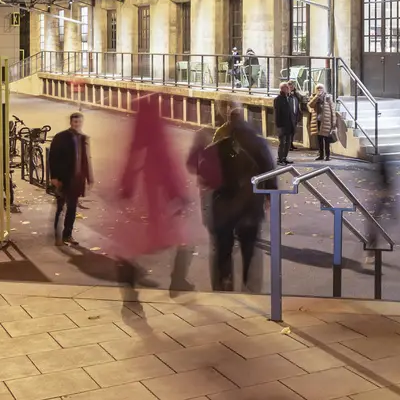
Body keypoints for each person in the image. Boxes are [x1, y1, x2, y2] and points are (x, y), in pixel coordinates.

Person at [111, 96, 193, 286]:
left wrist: (127, 186)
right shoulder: (156, 130)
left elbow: (135, 155)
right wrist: (177, 193)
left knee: (153, 218)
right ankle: (178, 279)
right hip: (158, 177)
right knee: (179, 231)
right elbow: (166, 161)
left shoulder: (143, 128)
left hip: (150, 177)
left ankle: (130, 269)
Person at [195, 104, 274, 291]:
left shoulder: (218, 143)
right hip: (250, 203)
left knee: (223, 246)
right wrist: (270, 193)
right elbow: (268, 168)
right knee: (248, 244)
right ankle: (248, 281)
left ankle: (224, 279)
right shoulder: (256, 142)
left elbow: (203, 169)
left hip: (223, 203)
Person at [47, 112, 93, 246]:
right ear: (71, 123)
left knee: (72, 208)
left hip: (76, 180)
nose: (77, 124)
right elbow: (53, 157)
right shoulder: (61, 137)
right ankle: (57, 234)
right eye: (75, 122)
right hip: (63, 178)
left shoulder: (83, 138)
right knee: (60, 207)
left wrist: (89, 178)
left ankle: (68, 234)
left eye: (79, 122)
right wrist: (54, 177)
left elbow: (86, 160)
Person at [272, 81, 305, 165]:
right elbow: (277, 113)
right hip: (282, 125)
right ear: (282, 89)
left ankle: (284, 158)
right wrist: (279, 126)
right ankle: (280, 159)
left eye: (288, 87)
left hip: (290, 124)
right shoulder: (278, 99)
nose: (288, 89)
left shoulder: (290, 98)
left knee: (288, 142)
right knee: (282, 143)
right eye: (286, 87)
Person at [310, 85, 336, 160]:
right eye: (318, 88)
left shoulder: (328, 97)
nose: (319, 90)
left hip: (326, 121)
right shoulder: (314, 97)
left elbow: (332, 110)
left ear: (324, 89)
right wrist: (316, 97)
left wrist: (333, 122)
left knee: (327, 139)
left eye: (321, 88)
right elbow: (310, 105)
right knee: (319, 139)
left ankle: (327, 155)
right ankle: (321, 155)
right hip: (317, 121)